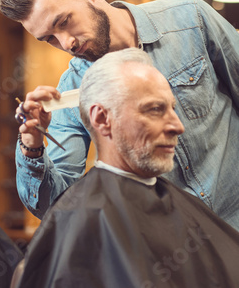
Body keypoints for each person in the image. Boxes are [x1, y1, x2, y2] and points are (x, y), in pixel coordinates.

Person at [0, 0, 239, 230]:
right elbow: (57, 204)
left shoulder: (190, 20)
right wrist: (32, 145)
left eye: (64, 22)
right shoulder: (74, 88)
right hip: (178, 254)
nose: (66, 43)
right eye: (49, 38)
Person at [15, 50, 239, 288]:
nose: (177, 126)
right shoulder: (84, 219)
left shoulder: (183, 206)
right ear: (102, 119)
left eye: (173, 109)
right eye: (155, 110)